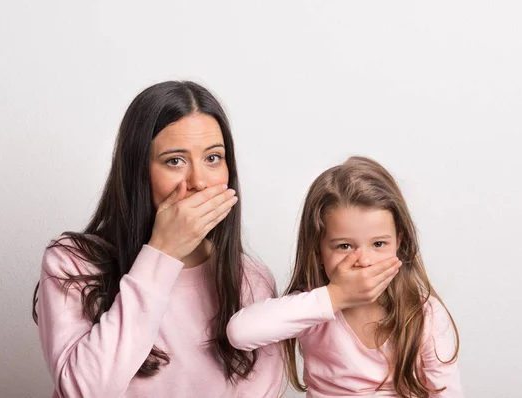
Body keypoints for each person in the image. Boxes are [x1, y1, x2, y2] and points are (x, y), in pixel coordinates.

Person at [32, 81, 283, 397]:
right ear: (138, 171)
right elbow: (82, 391)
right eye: (175, 160)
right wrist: (163, 251)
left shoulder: (252, 281)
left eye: (213, 158)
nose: (199, 182)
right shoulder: (73, 262)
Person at [227, 156, 462, 397]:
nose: (364, 260)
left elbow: (446, 392)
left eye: (379, 243)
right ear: (318, 250)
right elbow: (240, 333)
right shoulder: (313, 308)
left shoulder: (424, 313)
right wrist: (335, 296)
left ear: (399, 241)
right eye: (344, 247)